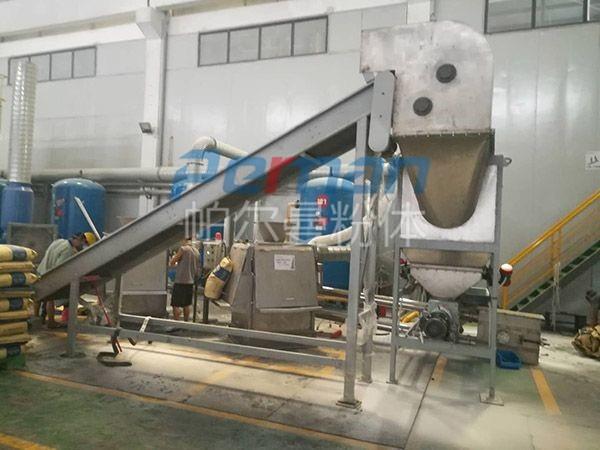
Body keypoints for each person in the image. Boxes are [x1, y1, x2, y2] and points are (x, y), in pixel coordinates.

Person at [38, 232, 97, 328]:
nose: (82, 246)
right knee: (50, 299)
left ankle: (37, 319)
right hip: (50, 276)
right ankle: (51, 322)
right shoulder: (68, 250)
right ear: (80, 240)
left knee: (38, 297)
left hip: (41, 271)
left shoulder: (60, 241)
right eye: (83, 244)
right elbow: (60, 268)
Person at [169, 238, 200, 321]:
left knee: (175, 304)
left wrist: (175, 262)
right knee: (187, 304)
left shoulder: (183, 249)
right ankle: (186, 323)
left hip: (180, 281)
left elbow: (172, 262)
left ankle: (176, 323)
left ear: (184, 240)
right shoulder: (196, 251)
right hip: (190, 282)